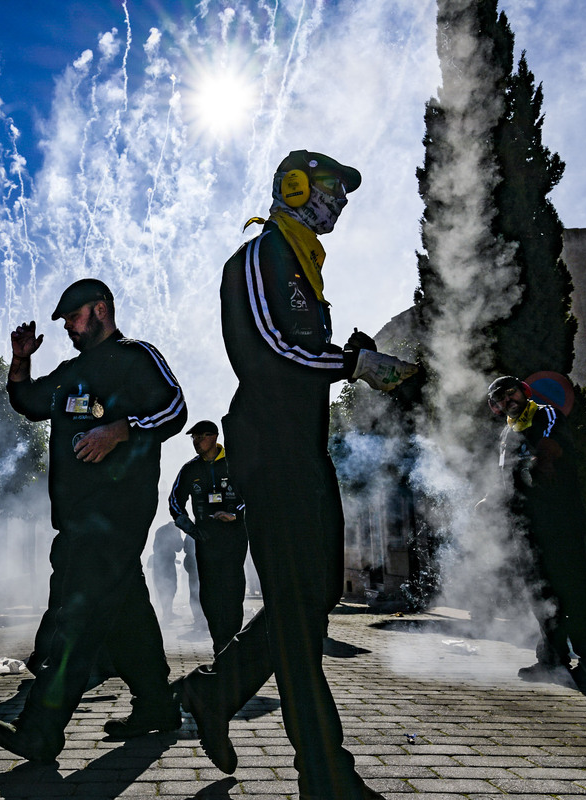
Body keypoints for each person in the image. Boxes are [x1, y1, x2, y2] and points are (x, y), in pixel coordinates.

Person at [174, 150, 416, 800]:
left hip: (303, 454)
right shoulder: (260, 258)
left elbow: (304, 354)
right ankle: (326, 776)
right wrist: (354, 364)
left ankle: (211, 693)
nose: (339, 204)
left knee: (308, 603)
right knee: (300, 616)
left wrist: (357, 360)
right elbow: (269, 353)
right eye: (333, 191)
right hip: (269, 452)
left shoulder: (306, 271)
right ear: (296, 187)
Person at [0, 278, 188, 761]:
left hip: (117, 513)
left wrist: (120, 430)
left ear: (100, 309)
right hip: (76, 518)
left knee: (76, 617)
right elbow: (28, 402)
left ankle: (41, 729)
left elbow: (175, 410)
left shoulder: (137, 357)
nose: (68, 329)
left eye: (73, 318)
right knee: (126, 613)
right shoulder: (70, 372)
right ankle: (158, 705)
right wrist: (20, 359)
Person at [487, 375, 586, 689]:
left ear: (524, 392)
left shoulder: (546, 414)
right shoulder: (506, 434)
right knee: (540, 593)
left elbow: (548, 453)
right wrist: (493, 501)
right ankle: (552, 661)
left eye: (511, 393)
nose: (507, 400)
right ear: (497, 408)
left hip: (559, 520)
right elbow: (507, 478)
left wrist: (531, 471)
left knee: (573, 590)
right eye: (500, 399)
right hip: (526, 527)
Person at [169, 419, 248, 654]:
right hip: (205, 538)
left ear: (214, 437)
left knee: (233, 589)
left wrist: (235, 515)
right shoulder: (190, 469)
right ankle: (219, 643)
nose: (196, 442)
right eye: (193, 438)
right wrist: (190, 528)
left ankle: (233, 642)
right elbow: (174, 501)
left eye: (200, 436)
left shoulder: (235, 463)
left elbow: (254, 494)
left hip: (234, 537)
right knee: (209, 591)